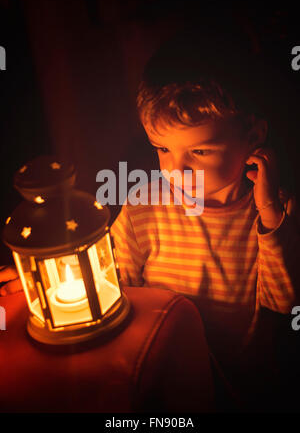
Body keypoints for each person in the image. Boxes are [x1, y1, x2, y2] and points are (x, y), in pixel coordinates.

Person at [1, 24, 299, 411]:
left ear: (254, 135)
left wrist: (270, 214)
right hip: (165, 380)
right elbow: (113, 284)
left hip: (243, 387)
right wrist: (40, 287)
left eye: (201, 152)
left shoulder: (273, 214)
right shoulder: (144, 205)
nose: (176, 169)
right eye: (162, 149)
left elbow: (283, 302)